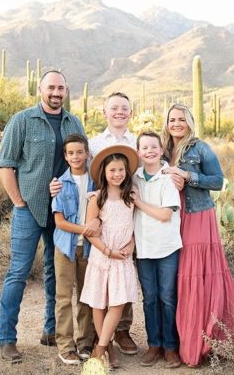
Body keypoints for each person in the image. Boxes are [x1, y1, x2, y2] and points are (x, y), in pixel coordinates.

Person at [52, 91, 159, 355]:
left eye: (124, 108)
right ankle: (101, 340)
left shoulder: (138, 143)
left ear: (131, 112)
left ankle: (122, 329)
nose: (119, 112)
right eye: (114, 108)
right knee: (98, 285)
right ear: (105, 112)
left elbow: (154, 164)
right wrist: (58, 185)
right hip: (100, 216)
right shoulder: (95, 143)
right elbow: (79, 170)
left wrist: (171, 171)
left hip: (126, 212)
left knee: (123, 279)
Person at [0, 70, 85, 363]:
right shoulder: (22, 121)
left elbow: (82, 162)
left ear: (67, 90)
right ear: (40, 89)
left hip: (62, 211)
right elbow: (6, 166)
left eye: (61, 87)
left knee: (54, 273)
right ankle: (7, 339)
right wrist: (19, 201)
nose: (56, 92)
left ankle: (51, 331)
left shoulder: (74, 122)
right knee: (18, 273)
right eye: (51, 87)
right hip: (29, 209)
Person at [161, 103, 234, 368]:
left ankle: (207, 338)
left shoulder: (200, 147)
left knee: (196, 273)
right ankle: (179, 340)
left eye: (181, 119)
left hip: (196, 215)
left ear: (190, 122)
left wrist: (188, 175)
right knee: (177, 274)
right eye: (172, 119)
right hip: (171, 216)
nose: (176, 124)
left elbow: (218, 181)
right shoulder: (163, 148)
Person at [80, 144, 140, 369]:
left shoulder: (130, 195)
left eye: (121, 170)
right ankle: (108, 347)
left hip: (122, 258)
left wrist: (131, 244)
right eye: (112, 170)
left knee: (117, 303)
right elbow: (90, 233)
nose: (117, 174)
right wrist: (107, 251)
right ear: (104, 172)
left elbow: (134, 226)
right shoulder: (97, 198)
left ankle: (101, 347)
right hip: (103, 257)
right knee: (99, 303)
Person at [131, 130, 183, 368]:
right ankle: (154, 345)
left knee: (168, 297)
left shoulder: (167, 178)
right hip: (143, 248)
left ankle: (171, 347)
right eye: (145, 148)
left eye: (154, 147)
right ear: (138, 152)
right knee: (150, 298)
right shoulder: (135, 178)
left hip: (167, 247)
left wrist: (140, 202)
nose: (150, 151)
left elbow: (164, 214)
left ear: (162, 150)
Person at [51, 133, 97, 365]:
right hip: (65, 247)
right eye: (71, 153)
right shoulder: (60, 183)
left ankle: (85, 342)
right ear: (65, 156)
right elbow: (59, 222)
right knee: (64, 297)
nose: (76, 156)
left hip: (89, 249)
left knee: (86, 296)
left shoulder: (96, 182)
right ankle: (66, 346)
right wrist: (85, 229)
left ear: (88, 153)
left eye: (80, 152)